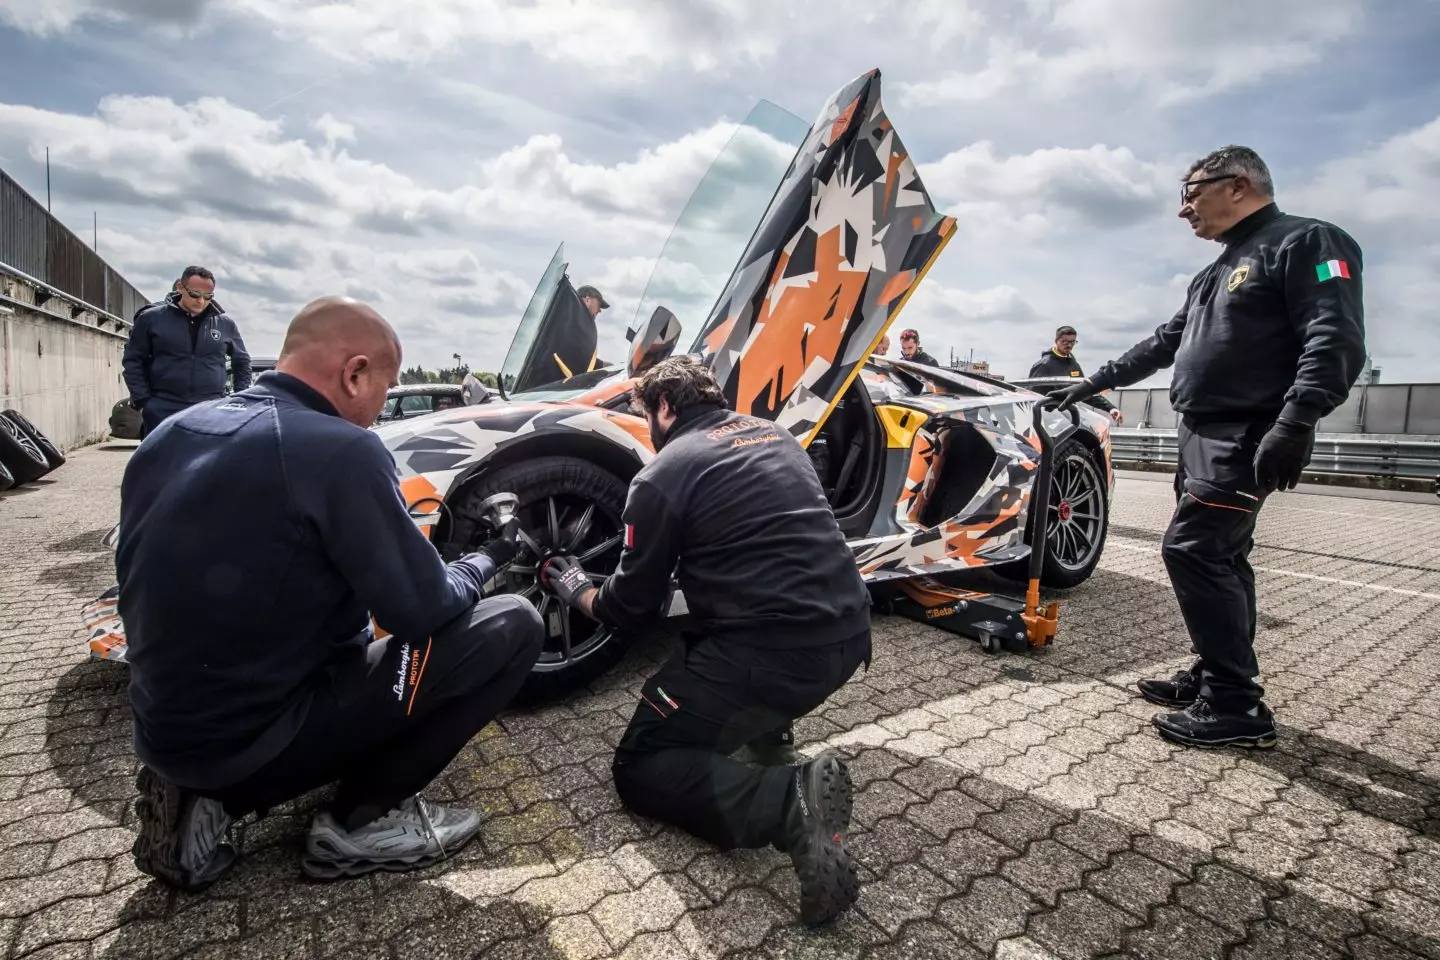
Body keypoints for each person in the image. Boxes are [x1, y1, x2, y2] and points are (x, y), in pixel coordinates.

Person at [117, 296, 545, 890]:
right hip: (259, 737)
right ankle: (357, 824)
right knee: (514, 623)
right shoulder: (341, 449)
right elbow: (421, 609)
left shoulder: (172, 432)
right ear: (355, 372)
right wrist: (488, 558)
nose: (378, 409)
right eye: (385, 386)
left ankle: (200, 797)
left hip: (167, 727)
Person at [1049, 145, 1365, 749]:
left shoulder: (1308, 242)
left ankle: (1236, 704)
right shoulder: (1216, 269)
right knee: (1223, 557)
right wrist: (1094, 381)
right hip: (1200, 432)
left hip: (1247, 432)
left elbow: (1335, 336)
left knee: (1193, 551)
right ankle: (1211, 672)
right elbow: (1167, 340)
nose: (1183, 209)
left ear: (1238, 184)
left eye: (1190, 192)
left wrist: (1296, 421)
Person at [538, 356, 872, 926]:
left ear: (665, 407)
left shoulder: (664, 473)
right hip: (848, 637)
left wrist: (573, 588)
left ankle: (788, 802)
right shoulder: (777, 437)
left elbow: (627, 608)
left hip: (776, 657)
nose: (649, 430)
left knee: (640, 766)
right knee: (720, 625)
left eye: (648, 416)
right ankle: (768, 735)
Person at [122, 266, 252, 437]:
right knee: (161, 462)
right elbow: (133, 360)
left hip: (210, 409)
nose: (200, 301)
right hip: (163, 408)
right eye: (195, 294)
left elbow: (242, 362)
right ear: (180, 288)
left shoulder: (225, 324)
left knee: (207, 463)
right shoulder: (151, 319)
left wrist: (239, 399)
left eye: (208, 297)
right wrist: (143, 401)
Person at [1029, 326, 1124, 424]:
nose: (1069, 345)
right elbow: (1031, 397)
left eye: (1072, 342)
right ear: (1056, 341)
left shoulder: (1072, 363)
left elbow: (1084, 390)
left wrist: (1110, 408)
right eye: (1065, 342)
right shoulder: (1044, 364)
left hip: (1065, 416)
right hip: (1046, 419)